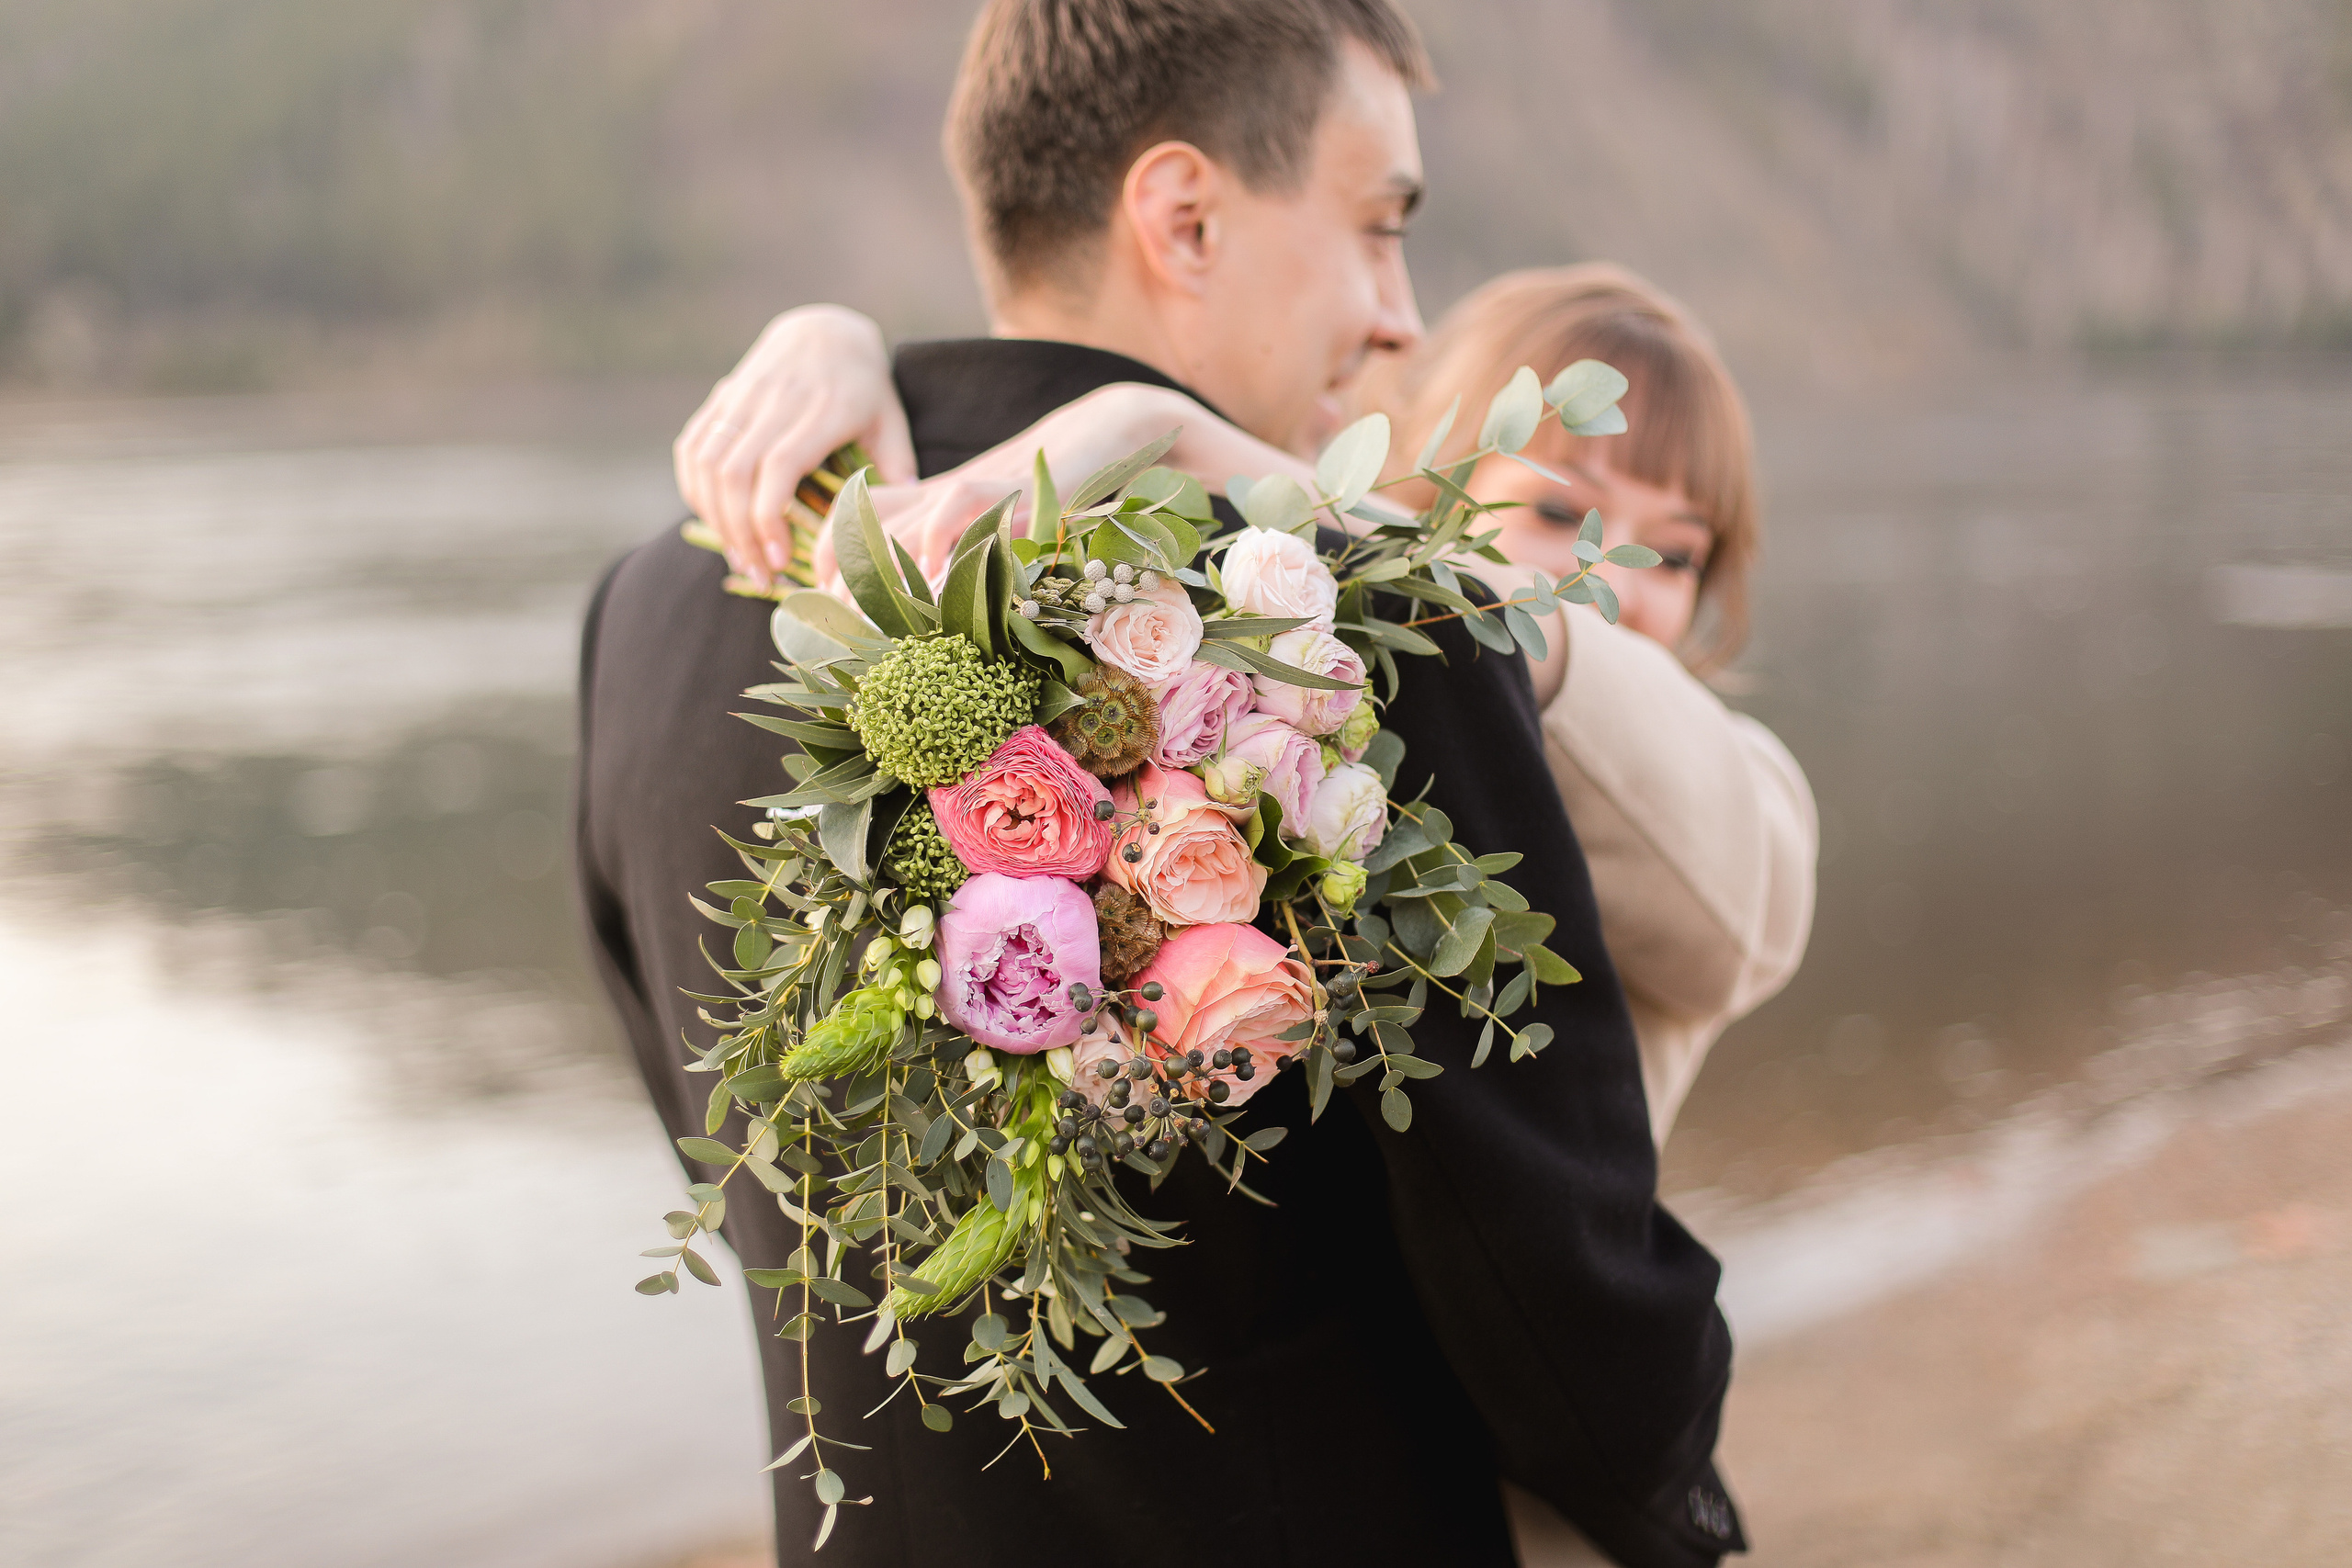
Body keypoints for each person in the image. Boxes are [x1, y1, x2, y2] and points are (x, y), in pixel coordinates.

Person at [578, 5, 1744, 1565]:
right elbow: (1553, 1291)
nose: (1400, 315)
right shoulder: (1344, 614)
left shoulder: (650, 610)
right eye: (1378, 226)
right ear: (1186, 217)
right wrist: (1672, 1477)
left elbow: (728, 1150)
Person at [679, 265, 1818, 1149]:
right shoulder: (1316, 692)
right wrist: (828, 339)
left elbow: (1751, 925)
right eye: (1562, 518)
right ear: (1413, 491)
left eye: (1676, 555)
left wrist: (1154, 421)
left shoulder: (1739, 784)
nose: (1617, 585)